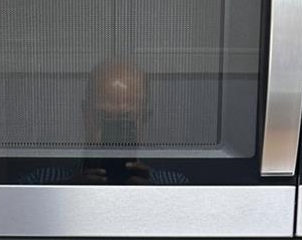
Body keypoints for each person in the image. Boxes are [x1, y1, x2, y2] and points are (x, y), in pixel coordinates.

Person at [19, 58, 189, 185]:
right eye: (104, 118)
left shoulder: (174, 186)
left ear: (144, 120)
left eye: (125, 121)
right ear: (86, 116)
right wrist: (70, 195)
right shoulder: (40, 184)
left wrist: (155, 199)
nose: (112, 136)